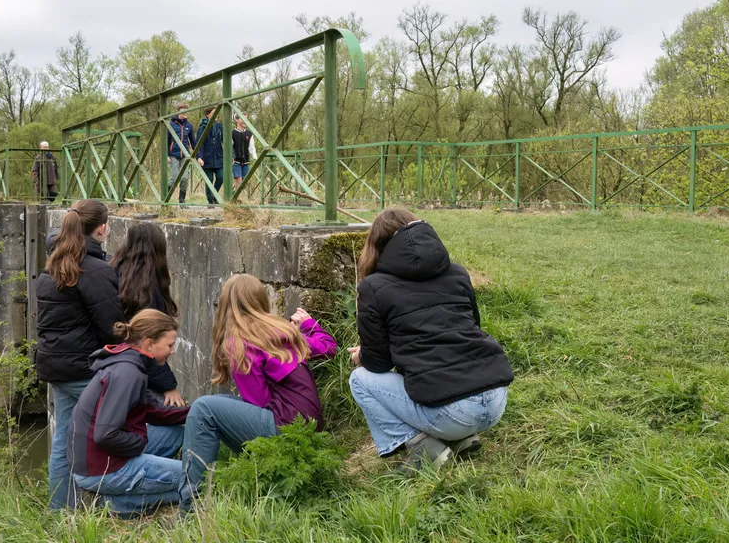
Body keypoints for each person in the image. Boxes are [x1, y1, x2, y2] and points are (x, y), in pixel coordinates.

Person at [348, 208, 513, 471]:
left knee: (360, 380)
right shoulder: (458, 272)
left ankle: (423, 446)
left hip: (454, 412)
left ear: (376, 246)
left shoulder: (373, 287)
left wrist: (362, 355)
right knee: (440, 375)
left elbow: (378, 364)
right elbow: (471, 329)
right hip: (494, 400)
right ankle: (461, 439)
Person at [178, 274, 336, 511]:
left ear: (225, 306)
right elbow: (329, 347)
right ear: (260, 299)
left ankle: (191, 509)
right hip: (308, 428)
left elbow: (258, 403)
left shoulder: (240, 343)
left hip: (285, 428)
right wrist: (309, 324)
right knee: (218, 403)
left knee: (203, 409)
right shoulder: (280, 331)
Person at [36, 199, 123, 509]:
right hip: (86, 369)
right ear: (100, 227)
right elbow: (113, 328)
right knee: (109, 433)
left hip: (57, 367)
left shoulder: (53, 265)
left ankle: (61, 509)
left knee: (64, 440)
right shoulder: (95, 270)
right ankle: (111, 504)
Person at [68, 310, 190, 517]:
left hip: (98, 459)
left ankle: (136, 487)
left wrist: (197, 412)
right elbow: (105, 434)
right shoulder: (128, 373)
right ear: (149, 343)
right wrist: (140, 443)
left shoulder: (129, 362)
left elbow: (150, 410)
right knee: (197, 478)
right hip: (101, 469)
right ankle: (119, 503)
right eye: (170, 345)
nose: (173, 351)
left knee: (178, 433)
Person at [110, 222, 185, 407]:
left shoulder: (111, 272)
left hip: (116, 366)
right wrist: (168, 385)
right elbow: (149, 344)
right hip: (141, 370)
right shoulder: (148, 290)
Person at [167, 102, 196, 204]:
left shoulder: (189, 125)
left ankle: (182, 200)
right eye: (183, 110)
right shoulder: (170, 124)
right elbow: (166, 140)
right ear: (178, 111)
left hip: (185, 155)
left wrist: (197, 155)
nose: (185, 112)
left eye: (186, 110)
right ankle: (165, 197)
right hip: (173, 154)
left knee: (184, 178)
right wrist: (166, 155)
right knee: (174, 178)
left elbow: (193, 141)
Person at [195, 106, 223, 205]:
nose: (216, 115)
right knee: (209, 180)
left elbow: (226, 141)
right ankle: (211, 201)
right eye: (214, 113)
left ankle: (214, 195)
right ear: (207, 114)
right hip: (206, 158)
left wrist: (231, 155)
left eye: (217, 113)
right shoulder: (202, 127)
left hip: (219, 157)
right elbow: (198, 143)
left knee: (221, 177)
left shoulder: (219, 126)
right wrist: (198, 157)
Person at [231, 113, 257, 191]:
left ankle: (234, 196)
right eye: (243, 118)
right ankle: (236, 200)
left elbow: (251, 147)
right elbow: (230, 146)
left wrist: (255, 158)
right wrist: (231, 157)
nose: (245, 121)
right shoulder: (233, 133)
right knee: (239, 180)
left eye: (246, 119)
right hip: (236, 161)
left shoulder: (249, 134)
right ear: (237, 120)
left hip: (246, 161)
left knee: (244, 182)